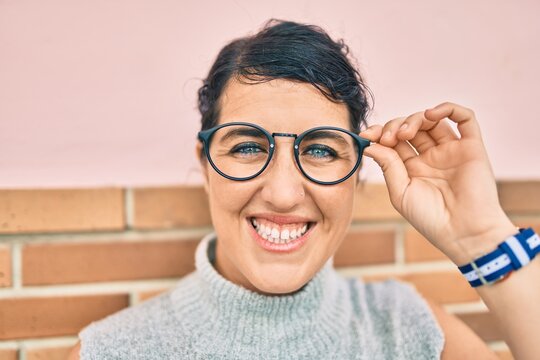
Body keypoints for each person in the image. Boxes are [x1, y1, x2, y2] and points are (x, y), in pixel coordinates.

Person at [69, 19, 540, 359]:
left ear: (357, 171)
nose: (283, 193)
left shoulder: (412, 332)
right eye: (248, 147)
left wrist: (482, 239)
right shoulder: (111, 352)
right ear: (206, 165)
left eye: (320, 150)